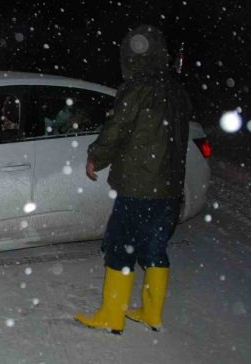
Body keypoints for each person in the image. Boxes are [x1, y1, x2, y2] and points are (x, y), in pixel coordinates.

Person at [75, 25, 192, 335]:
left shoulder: (138, 87)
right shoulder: (177, 90)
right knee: (155, 248)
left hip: (138, 186)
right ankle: (152, 313)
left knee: (120, 246)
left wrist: (96, 156)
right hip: (168, 188)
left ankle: (112, 315)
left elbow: (117, 128)